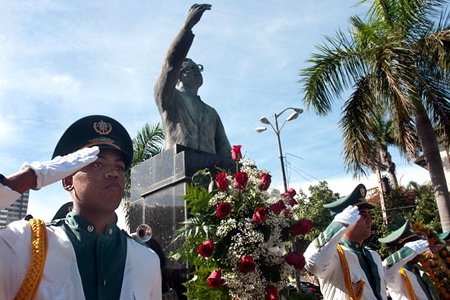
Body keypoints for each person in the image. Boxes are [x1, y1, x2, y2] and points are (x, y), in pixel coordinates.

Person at [0, 115, 162, 299]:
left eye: (119, 167)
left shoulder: (146, 259)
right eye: (97, 164)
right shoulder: (24, 244)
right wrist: (32, 176)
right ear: (68, 179)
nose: (113, 173)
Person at [304, 184, 429, 299]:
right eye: (363, 214)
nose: (369, 220)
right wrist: (336, 226)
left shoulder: (373, 255)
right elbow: (312, 263)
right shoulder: (335, 255)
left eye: (369, 214)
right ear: (347, 218)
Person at [154, 4, 232, 157]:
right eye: (191, 68)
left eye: (198, 67)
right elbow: (170, 64)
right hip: (176, 167)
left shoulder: (211, 112)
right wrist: (186, 28)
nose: (197, 70)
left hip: (210, 172)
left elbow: (225, 150)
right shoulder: (169, 97)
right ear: (179, 74)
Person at [379, 220, 438, 300]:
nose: (417, 250)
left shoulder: (418, 270)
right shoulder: (397, 275)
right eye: (412, 245)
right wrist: (406, 252)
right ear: (397, 249)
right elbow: (384, 270)